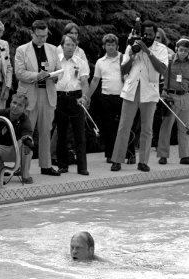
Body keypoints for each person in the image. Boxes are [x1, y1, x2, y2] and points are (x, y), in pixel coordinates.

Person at [110, 20, 168, 172]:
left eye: (151, 34)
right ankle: (117, 160)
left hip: (149, 91)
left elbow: (162, 69)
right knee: (124, 126)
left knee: (147, 129)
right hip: (131, 89)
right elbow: (123, 70)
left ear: (155, 34)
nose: (148, 36)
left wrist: (148, 52)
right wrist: (134, 55)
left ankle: (143, 161)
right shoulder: (132, 45)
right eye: (145, 34)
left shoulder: (161, 49)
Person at [15, 20, 62, 176]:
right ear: (32, 33)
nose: (43, 39)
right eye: (40, 36)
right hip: (29, 95)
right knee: (26, 131)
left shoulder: (53, 49)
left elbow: (59, 70)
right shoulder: (22, 50)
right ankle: (22, 167)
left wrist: (55, 77)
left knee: (46, 131)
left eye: (45, 36)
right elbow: (19, 73)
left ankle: (46, 165)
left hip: (47, 94)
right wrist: (37, 76)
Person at [87, 33, 136, 164]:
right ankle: (110, 154)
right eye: (108, 45)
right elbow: (95, 80)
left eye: (113, 45)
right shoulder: (100, 62)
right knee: (108, 127)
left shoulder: (123, 58)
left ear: (117, 46)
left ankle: (130, 154)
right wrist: (87, 96)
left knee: (125, 125)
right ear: (104, 46)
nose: (110, 47)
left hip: (122, 96)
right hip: (106, 97)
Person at [157, 37, 189, 166]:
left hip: (185, 96)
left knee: (185, 127)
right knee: (166, 127)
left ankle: (185, 156)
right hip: (171, 96)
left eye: (186, 51)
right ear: (177, 49)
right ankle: (163, 155)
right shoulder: (169, 61)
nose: (183, 53)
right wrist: (163, 92)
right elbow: (160, 77)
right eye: (181, 50)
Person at [55, 35, 89, 175]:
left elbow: (85, 81)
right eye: (67, 44)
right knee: (61, 133)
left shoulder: (80, 62)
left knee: (79, 134)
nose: (70, 47)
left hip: (76, 98)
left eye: (72, 45)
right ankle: (62, 165)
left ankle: (82, 167)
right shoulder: (56, 61)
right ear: (62, 46)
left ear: (76, 47)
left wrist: (84, 97)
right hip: (60, 97)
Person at [0, 94, 34, 184]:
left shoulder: (25, 120)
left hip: (15, 150)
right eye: (14, 103)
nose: (15, 106)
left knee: (27, 144)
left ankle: (25, 175)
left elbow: (27, 135)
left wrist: (29, 143)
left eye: (20, 105)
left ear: (24, 108)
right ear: (10, 103)